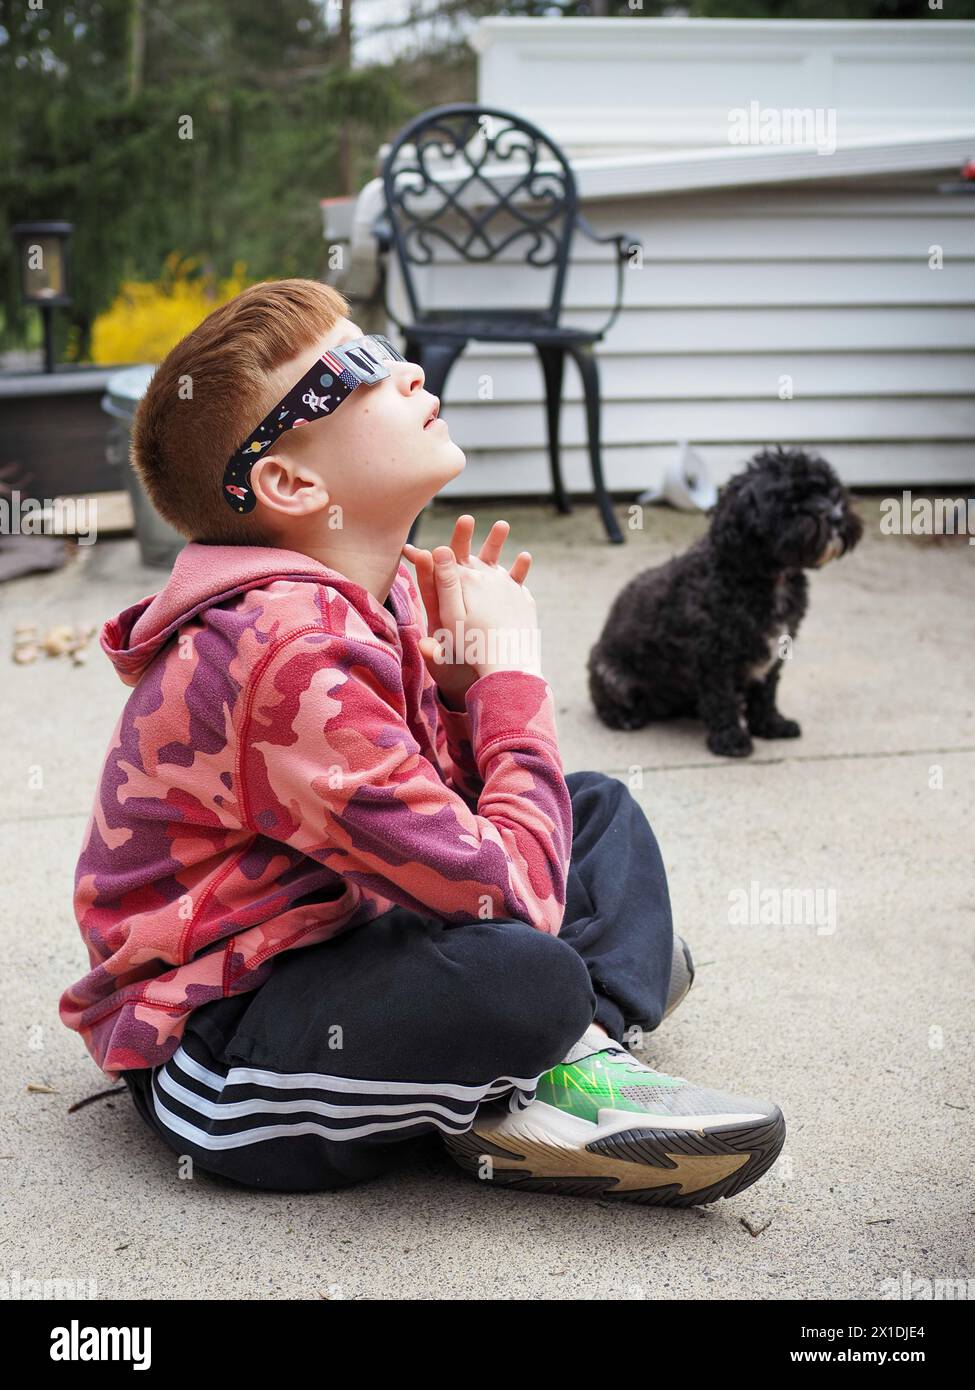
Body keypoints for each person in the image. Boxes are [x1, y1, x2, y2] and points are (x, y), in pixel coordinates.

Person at [60, 278, 784, 1206]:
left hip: (346, 922)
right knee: (526, 969)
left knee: (599, 809)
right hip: (222, 1046)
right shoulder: (282, 647)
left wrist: (454, 699)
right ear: (289, 482)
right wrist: (511, 677)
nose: (403, 370)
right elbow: (503, 897)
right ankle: (556, 1049)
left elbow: (423, 827)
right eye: (358, 368)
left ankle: (538, 1057)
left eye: (387, 345)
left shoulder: (379, 594)